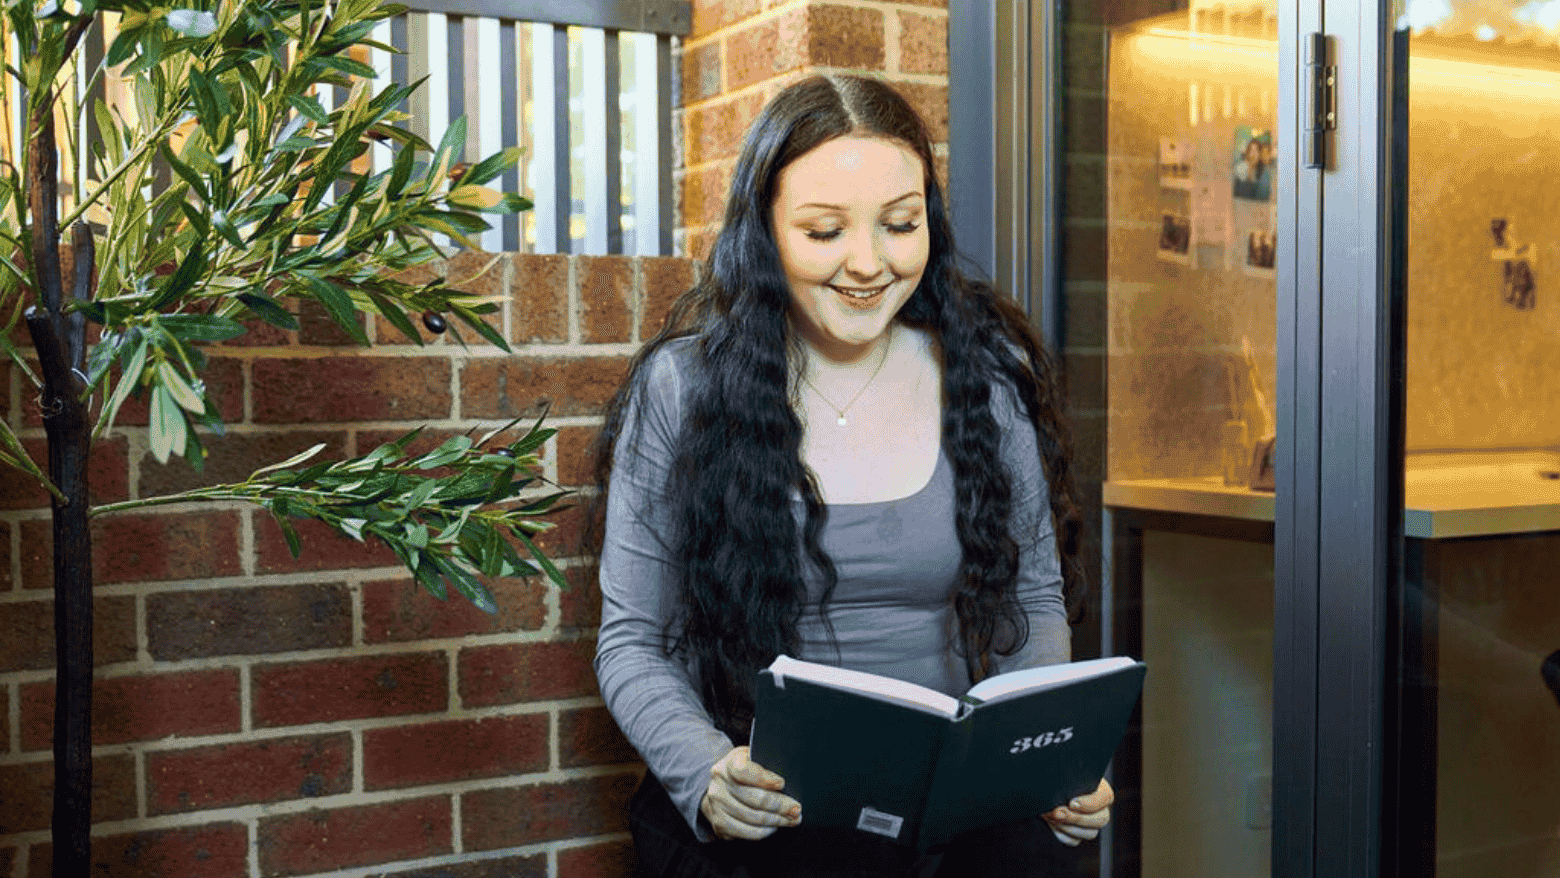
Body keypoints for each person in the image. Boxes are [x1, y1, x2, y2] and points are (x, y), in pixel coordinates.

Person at [590, 74, 1111, 877]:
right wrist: (708, 773)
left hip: (947, 797)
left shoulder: (984, 375)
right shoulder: (683, 387)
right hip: (767, 792)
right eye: (825, 230)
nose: (868, 264)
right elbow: (634, 641)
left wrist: (1044, 762)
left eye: (900, 224)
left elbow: (1031, 600)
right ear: (765, 231)